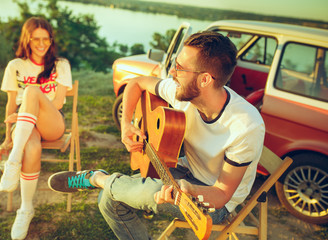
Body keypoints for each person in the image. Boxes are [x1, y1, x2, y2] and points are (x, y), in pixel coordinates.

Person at [48, 31, 265, 239]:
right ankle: (100, 180)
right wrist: (126, 124)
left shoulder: (245, 126)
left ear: (205, 80)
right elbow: (136, 83)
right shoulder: (183, 92)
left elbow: (221, 194)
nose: (172, 72)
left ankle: (97, 178)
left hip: (213, 201)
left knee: (114, 194)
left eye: (179, 68)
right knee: (108, 201)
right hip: (183, 169)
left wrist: (189, 188)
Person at [0, 17, 72, 240]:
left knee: (31, 92)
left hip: (51, 121)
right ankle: (26, 209)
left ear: (51, 40)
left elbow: (58, 103)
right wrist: (6, 138)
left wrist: (20, 114)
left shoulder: (61, 64)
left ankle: (13, 161)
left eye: (46, 39)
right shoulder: (15, 66)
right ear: (27, 40)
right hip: (25, 125)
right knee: (31, 146)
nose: (41, 44)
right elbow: (10, 103)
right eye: (36, 39)